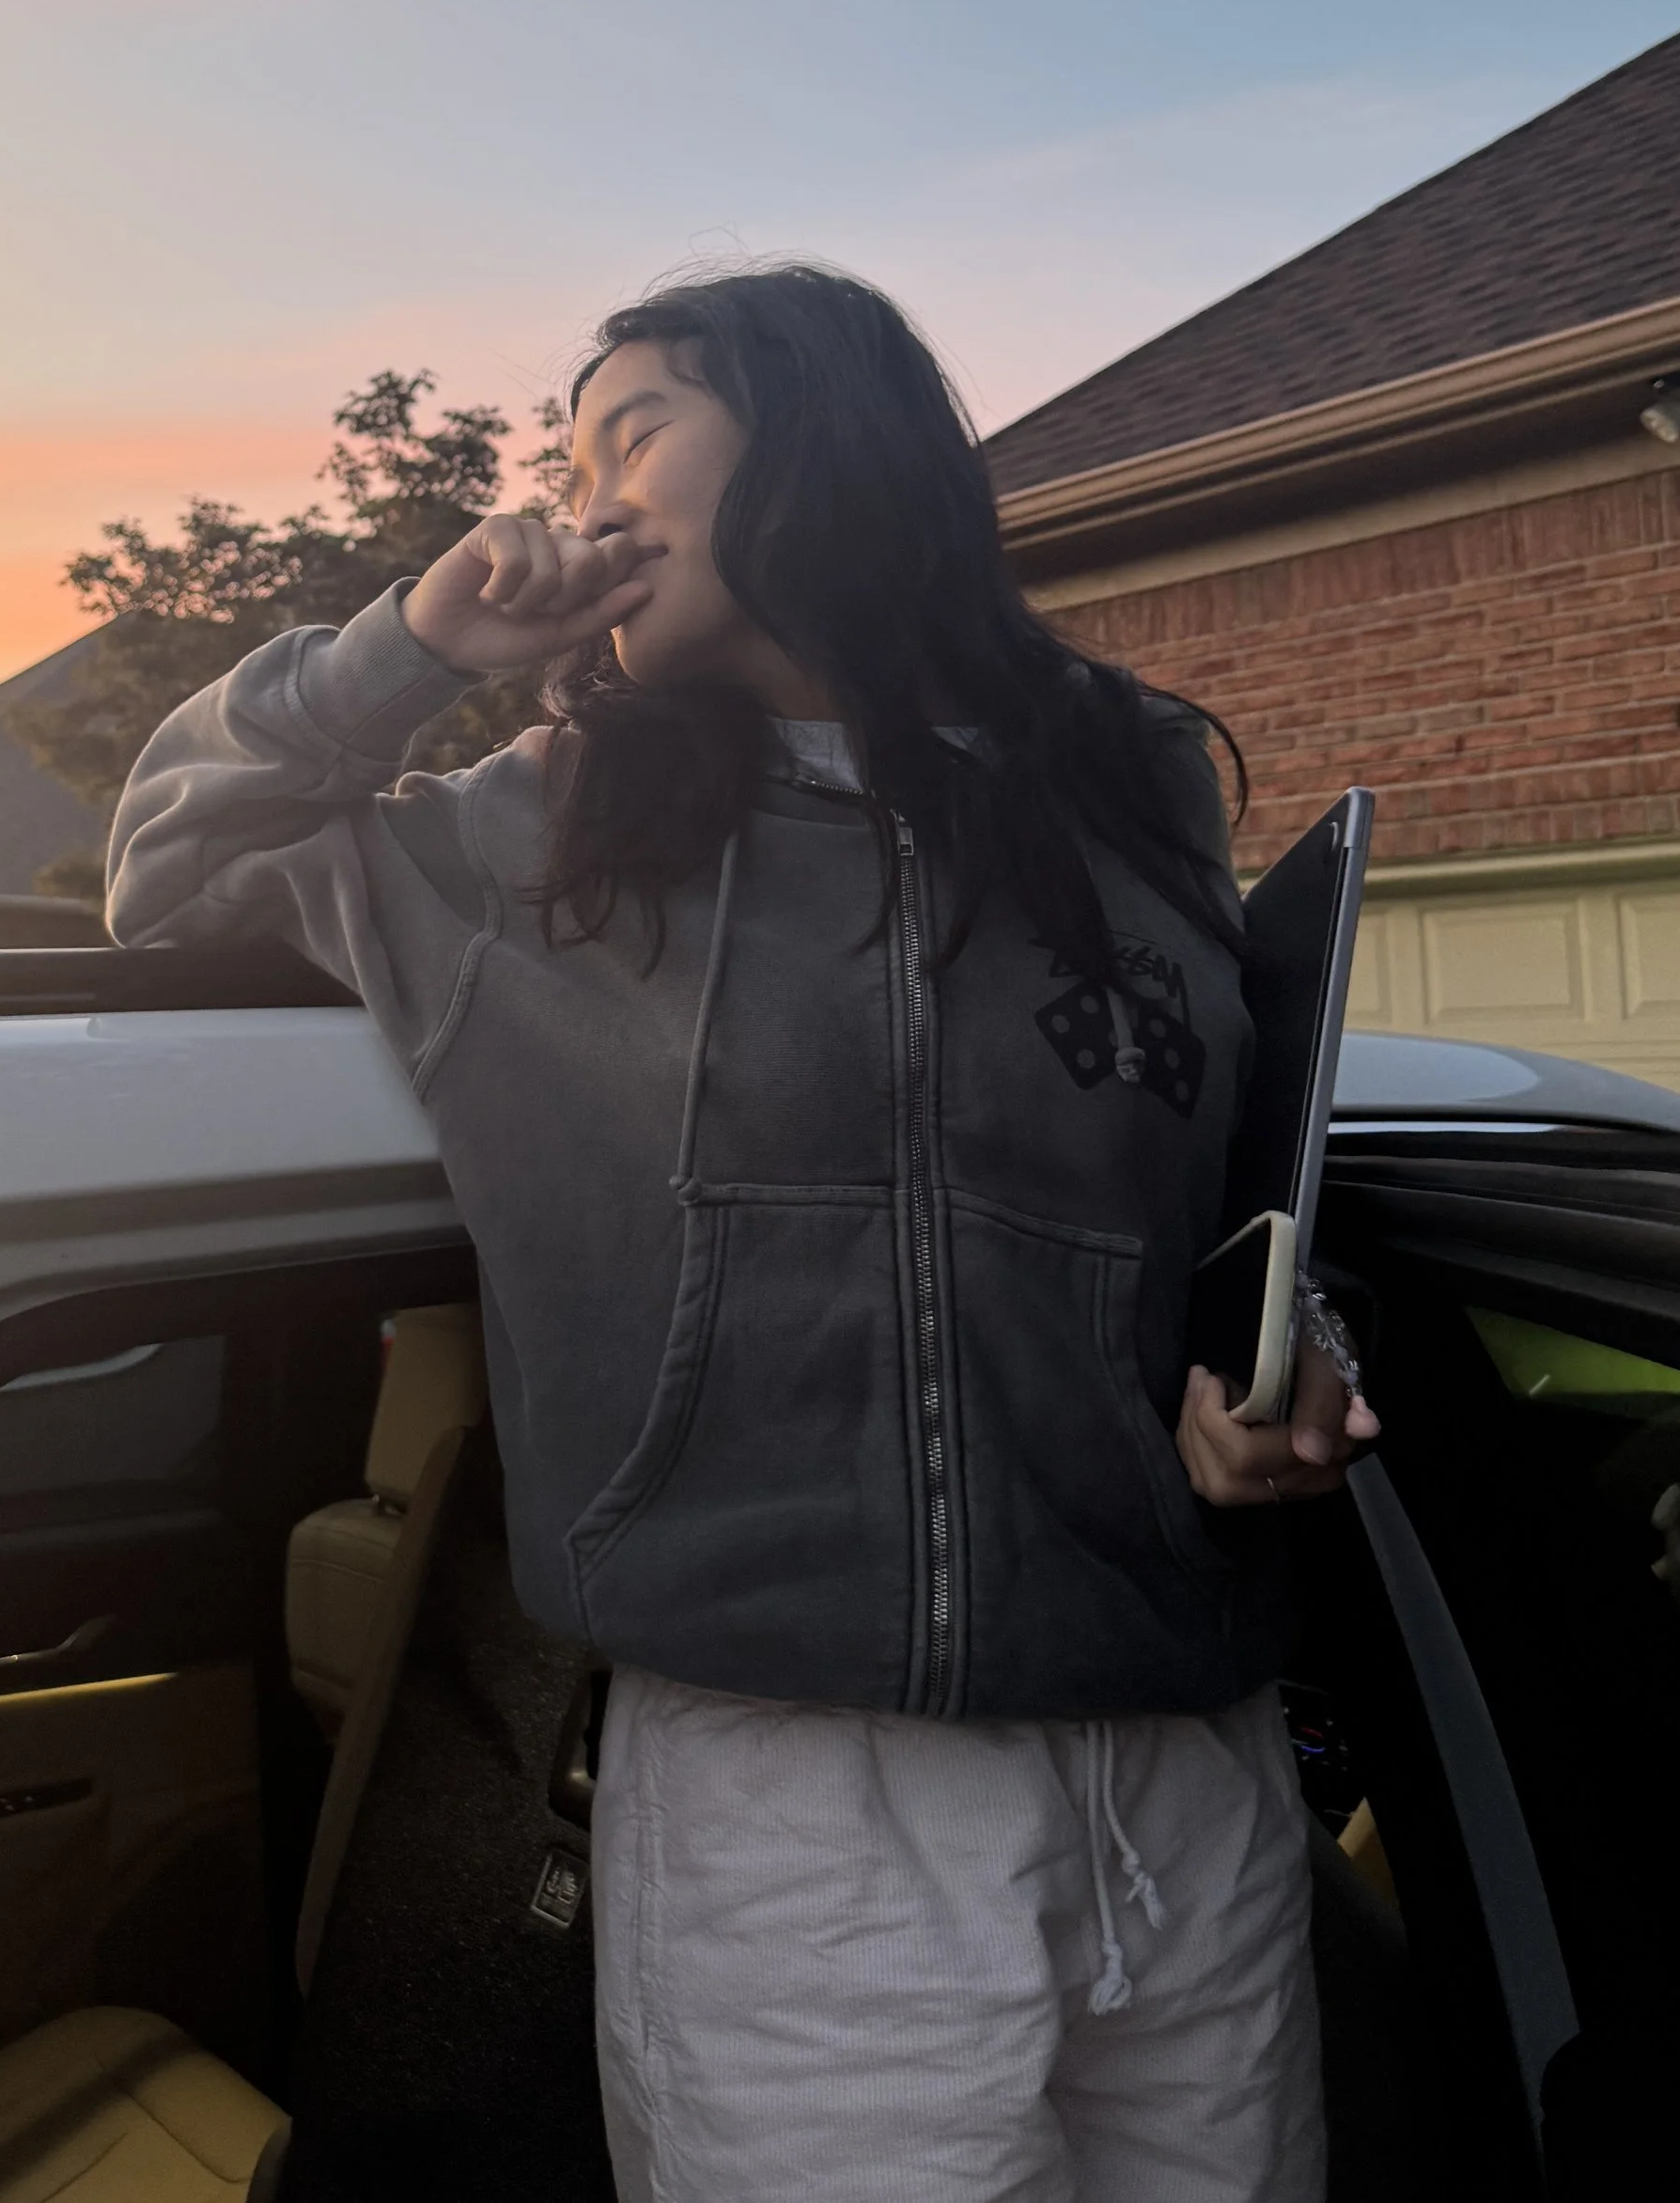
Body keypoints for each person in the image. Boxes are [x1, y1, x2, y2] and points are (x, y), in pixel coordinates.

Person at [107, 263, 1378, 2203]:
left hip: (1192, 1764)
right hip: (804, 1808)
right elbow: (172, 857)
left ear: (824, 444)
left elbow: (1219, 1206)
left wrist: (1285, 1368)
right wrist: (414, 643)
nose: (582, 503)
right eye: (570, 464)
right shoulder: (534, 840)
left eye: (633, 437)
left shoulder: (1121, 812)